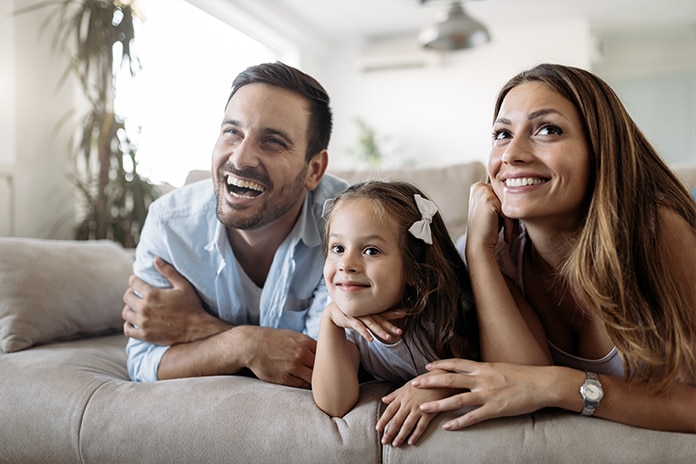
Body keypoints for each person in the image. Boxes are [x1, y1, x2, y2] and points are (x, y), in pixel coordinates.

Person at [411, 63, 696, 433]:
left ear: (600, 149)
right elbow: (518, 391)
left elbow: (540, 386)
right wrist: (480, 255)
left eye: (548, 130)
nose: (512, 154)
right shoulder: (491, 251)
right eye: (501, 134)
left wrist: (564, 385)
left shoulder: (658, 233)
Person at [122, 62, 349, 388]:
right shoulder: (170, 224)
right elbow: (144, 361)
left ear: (314, 169)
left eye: (272, 141)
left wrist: (197, 328)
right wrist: (243, 344)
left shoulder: (347, 224)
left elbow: (322, 367)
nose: (240, 159)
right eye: (232, 132)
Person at [311, 180, 478, 447]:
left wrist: (437, 385)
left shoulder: (440, 316)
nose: (346, 264)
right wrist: (329, 319)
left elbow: (487, 369)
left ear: (414, 269)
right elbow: (334, 404)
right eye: (338, 248)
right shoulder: (349, 326)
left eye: (370, 251)